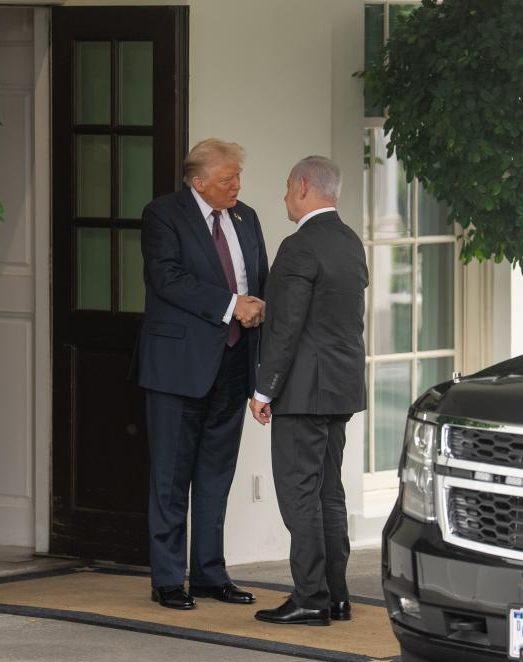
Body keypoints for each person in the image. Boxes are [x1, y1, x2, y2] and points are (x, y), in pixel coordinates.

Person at [133, 138, 268, 610]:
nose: (237, 186)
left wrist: (258, 321)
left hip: (233, 363)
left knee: (216, 475)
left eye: (238, 177)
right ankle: (169, 578)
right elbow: (166, 278)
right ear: (198, 181)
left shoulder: (246, 217)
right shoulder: (163, 214)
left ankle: (210, 573)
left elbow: (259, 280)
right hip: (178, 367)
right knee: (171, 478)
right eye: (228, 178)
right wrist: (232, 305)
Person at [250, 156, 367, 626]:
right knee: (328, 493)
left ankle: (310, 597)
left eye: (286, 186)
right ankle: (337, 597)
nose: (284, 196)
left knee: (299, 495)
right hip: (341, 387)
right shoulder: (350, 241)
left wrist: (264, 390)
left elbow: (287, 327)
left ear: (302, 186)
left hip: (303, 391)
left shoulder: (299, 246)